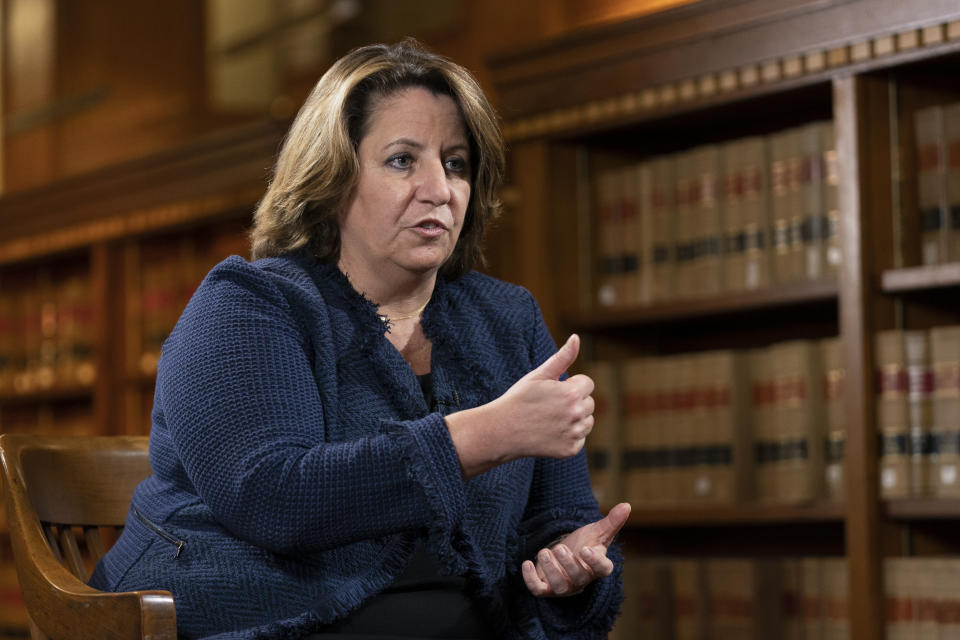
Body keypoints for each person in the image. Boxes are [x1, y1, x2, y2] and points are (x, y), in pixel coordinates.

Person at [90, 39, 630, 640]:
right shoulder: (247, 304)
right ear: (334, 176)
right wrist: (484, 434)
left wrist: (570, 564)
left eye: (455, 164)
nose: (439, 189)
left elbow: (558, 518)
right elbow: (273, 498)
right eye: (402, 160)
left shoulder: (507, 317)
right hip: (266, 621)